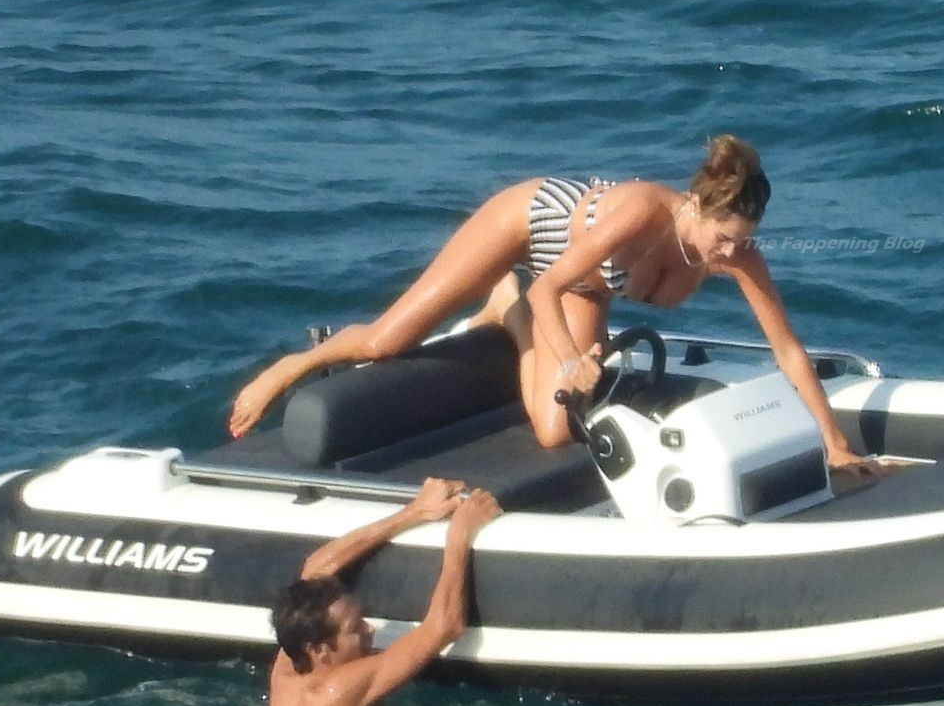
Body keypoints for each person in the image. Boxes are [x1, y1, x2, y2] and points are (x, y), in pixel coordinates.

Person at [228, 135, 867, 467]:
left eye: (742, 240)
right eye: (722, 237)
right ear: (695, 206)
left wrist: (834, 442)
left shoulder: (739, 256)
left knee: (554, 432)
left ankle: (508, 315)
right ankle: (292, 365)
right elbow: (548, 285)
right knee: (386, 342)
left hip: (583, 283)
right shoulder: (642, 214)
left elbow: (788, 350)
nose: (730, 252)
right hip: (531, 225)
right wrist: (568, 359)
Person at [266, 476, 501, 706]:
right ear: (319, 650)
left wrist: (415, 511)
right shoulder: (337, 689)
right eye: (355, 628)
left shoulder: (288, 668)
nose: (370, 628)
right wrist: (460, 531)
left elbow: (315, 568)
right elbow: (445, 626)